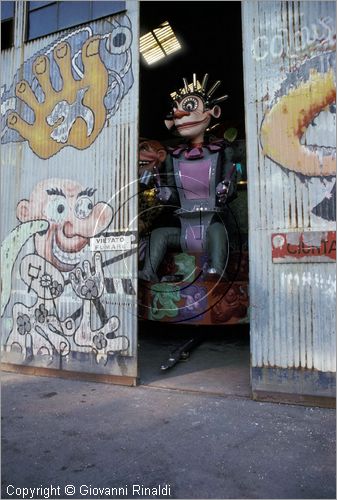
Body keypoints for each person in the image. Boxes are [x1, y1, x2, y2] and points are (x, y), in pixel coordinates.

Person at [139, 73, 237, 282]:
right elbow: (174, 195)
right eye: (177, 110)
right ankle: (148, 272)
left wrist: (226, 187)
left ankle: (218, 271)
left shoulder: (221, 150)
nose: (178, 114)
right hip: (184, 228)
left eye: (190, 106)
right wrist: (166, 193)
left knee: (219, 232)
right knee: (158, 235)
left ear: (213, 112)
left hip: (212, 223)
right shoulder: (174, 156)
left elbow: (231, 184)